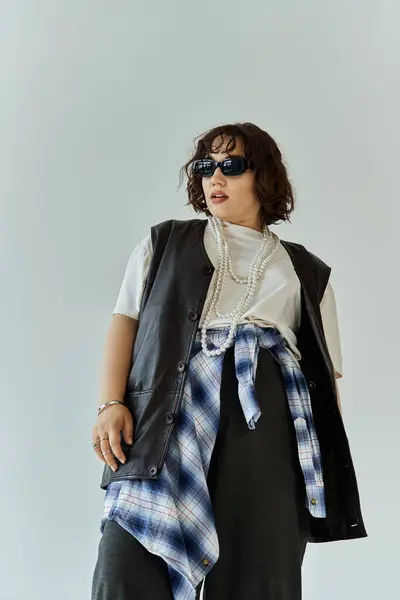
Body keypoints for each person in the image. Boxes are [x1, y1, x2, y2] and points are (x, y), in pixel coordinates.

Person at [90, 122, 367, 600]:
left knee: (258, 574)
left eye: (231, 166)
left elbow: (324, 377)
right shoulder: (164, 243)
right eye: (205, 167)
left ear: (264, 177)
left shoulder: (307, 271)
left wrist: (322, 462)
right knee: (127, 564)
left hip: (268, 431)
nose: (214, 177)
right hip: (165, 425)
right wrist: (110, 403)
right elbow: (125, 321)